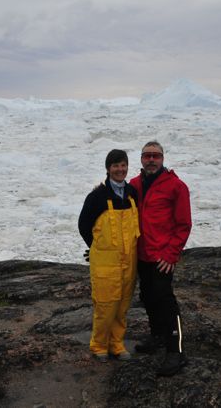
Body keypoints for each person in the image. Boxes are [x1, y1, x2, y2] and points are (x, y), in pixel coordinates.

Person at [129, 140, 192, 376]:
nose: (151, 160)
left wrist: (171, 253)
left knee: (165, 301)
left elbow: (184, 224)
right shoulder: (135, 185)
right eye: (147, 156)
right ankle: (157, 335)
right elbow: (113, 196)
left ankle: (176, 351)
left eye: (156, 155)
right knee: (147, 296)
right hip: (142, 254)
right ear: (141, 159)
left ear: (163, 159)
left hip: (162, 256)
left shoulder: (176, 187)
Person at [78, 149, 141, 363]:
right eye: (115, 166)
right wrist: (97, 248)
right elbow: (84, 225)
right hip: (106, 262)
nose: (120, 169)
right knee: (105, 306)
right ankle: (98, 345)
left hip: (129, 261)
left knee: (123, 305)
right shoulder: (96, 197)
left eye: (123, 165)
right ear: (108, 168)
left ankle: (117, 344)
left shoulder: (132, 193)